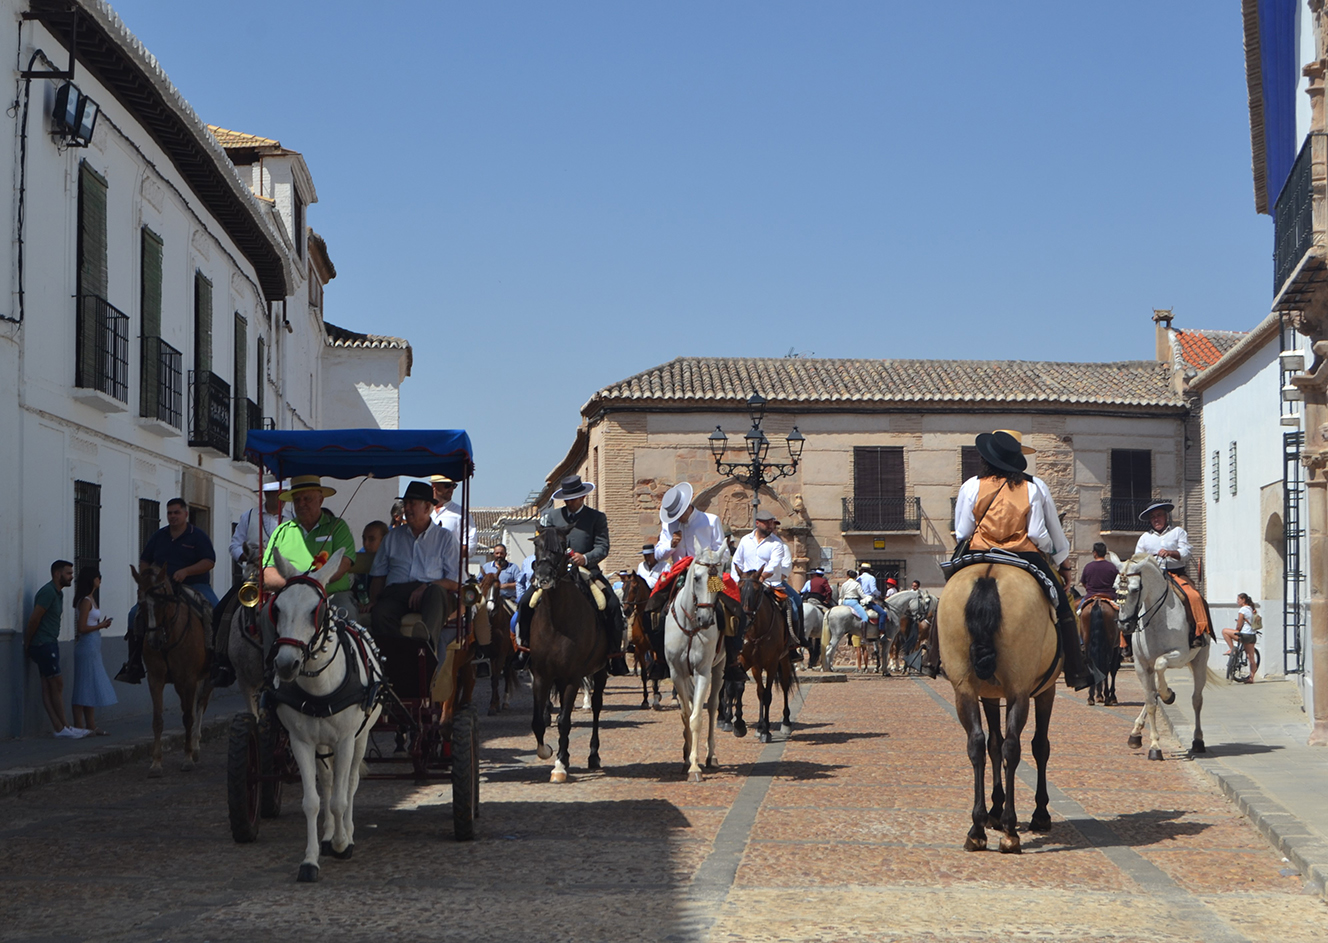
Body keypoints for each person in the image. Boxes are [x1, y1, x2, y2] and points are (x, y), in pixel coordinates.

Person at [953, 430, 1090, 690]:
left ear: (986, 458)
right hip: (1024, 554)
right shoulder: (1033, 486)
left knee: (947, 597)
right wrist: (1062, 562)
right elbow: (1039, 533)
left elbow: (962, 532)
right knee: (1062, 605)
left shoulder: (971, 485)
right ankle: (1077, 667)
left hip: (979, 551)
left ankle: (933, 657)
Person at [517, 474, 630, 675]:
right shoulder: (552, 518)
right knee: (526, 602)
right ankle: (525, 649)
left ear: (583, 497)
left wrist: (584, 558)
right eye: (567, 498)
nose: (569, 502)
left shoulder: (596, 518)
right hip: (554, 572)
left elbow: (603, 547)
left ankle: (614, 655)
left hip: (587, 571)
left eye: (573, 497)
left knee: (611, 604)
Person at [116, 498, 217, 684]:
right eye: (169, 513)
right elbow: (145, 559)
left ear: (186, 514)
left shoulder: (198, 536)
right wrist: (147, 577)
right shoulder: (159, 536)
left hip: (195, 585)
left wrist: (186, 571)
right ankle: (134, 663)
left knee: (215, 610)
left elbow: (209, 561)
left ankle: (217, 661)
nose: (172, 516)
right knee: (134, 615)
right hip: (162, 588)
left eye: (176, 512)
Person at [369, 481, 460, 653]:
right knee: (380, 613)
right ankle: (397, 658)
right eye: (405, 504)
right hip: (397, 593)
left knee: (436, 593)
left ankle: (426, 649)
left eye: (412, 503)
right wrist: (373, 601)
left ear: (427, 507)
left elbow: (454, 580)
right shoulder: (392, 537)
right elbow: (378, 575)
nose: (407, 508)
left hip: (430, 593)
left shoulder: (445, 538)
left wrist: (427, 586)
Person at [261, 476, 357, 616]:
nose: (301, 504)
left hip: (332, 595)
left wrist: (313, 583)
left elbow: (344, 563)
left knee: (347, 613)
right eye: (297, 500)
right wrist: (297, 585)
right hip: (290, 595)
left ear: (321, 500)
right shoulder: (282, 531)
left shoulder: (337, 527)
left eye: (307, 499)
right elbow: (268, 573)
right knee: (265, 615)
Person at [1134, 501, 1210, 648]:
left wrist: (1171, 553)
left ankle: (1198, 632)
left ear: (1166, 516)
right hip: (1153, 577)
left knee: (1193, 596)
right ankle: (1128, 640)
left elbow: (1186, 553)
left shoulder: (1178, 532)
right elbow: (1137, 557)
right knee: (1131, 597)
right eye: (1153, 517)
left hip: (1176, 574)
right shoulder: (1144, 538)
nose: (1156, 519)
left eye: (1159, 515)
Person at [26, 560, 86, 738]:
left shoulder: (58, 594)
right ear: (57, 574)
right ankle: (65, 726)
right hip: (44, 644)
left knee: (47, 685)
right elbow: (34, 619)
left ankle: (59, 728)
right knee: (56, 684)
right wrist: (28, 643)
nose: (71, 576)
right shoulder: (48, 592)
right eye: (68, 573)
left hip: (49, 642)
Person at [732, 508, 805, 652]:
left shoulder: (777, 544)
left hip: (771, 583)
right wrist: (738, 581)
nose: (771, 526)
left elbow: (774, 563)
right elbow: (737, 561)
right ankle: (729, 643)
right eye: (768, 523)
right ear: (758, 523)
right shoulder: (746, 540)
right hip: (747, 583)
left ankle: (794, 641)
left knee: (795, 604)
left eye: (772, 524)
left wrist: (762, 577)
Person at [71, 566, 116, 736]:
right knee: (82, 686)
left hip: (93, 646)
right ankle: (79, 726)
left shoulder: (90, 598)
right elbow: (82, 627)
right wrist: (101, 625)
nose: (100, 580)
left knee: (89, 686)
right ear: (92, 579)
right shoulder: (85, 601)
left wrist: (100, 625)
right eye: (98, 577)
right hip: (87, 647)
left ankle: (90, 725)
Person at [654, 482, 726, 567]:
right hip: (679, 572)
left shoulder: (711, 521)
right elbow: (658, 556)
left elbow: (724, 554)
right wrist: (671, 544)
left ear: (687, 507)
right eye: (676, 517)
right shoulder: (668, 525)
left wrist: (706, 561)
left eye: (681, 515)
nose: (679, 519)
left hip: (706, 572)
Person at [229, 480, 290, 566]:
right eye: (278, 492)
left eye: (285, 493)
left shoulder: (293, 518)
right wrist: (252, 555)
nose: (282, 497)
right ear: (267, 494)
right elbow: (234, 547)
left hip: (285, 574)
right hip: (256, 574)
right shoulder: (248, 516)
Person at [430, 475, 477, 557]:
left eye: (454, 485)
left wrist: (447, 553)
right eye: (447, 485)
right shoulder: (423, 511)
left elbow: (470, 546)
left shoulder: (461, 514)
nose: (451, 489)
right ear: (434, 485)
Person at [352, 520, 390, 611]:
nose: (366, 544)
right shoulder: (358, 560)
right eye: (364, 539)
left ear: (384, 540)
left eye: (371, 539)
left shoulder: (392, 564)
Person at [1222, 593, 1260, 683]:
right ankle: (1251, 678)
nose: (1237, 601)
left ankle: (1232, 649)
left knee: (1225, 631)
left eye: (1238, 599)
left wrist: (1237, 629)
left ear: (1243, 600)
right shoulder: (1252, 609)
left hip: (1244, 634)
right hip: (1252, 635)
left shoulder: (1242, 609)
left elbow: (1239, 625)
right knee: (1251, 658)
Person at [856, 564, 889, 634]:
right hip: (868, 601)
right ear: (869, 571)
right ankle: (881, 632)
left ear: (862, 570)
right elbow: (873, 590)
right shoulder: (871, 578)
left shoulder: (858, 578)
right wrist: (879, 595)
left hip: (858, 601)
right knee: (883, 613)